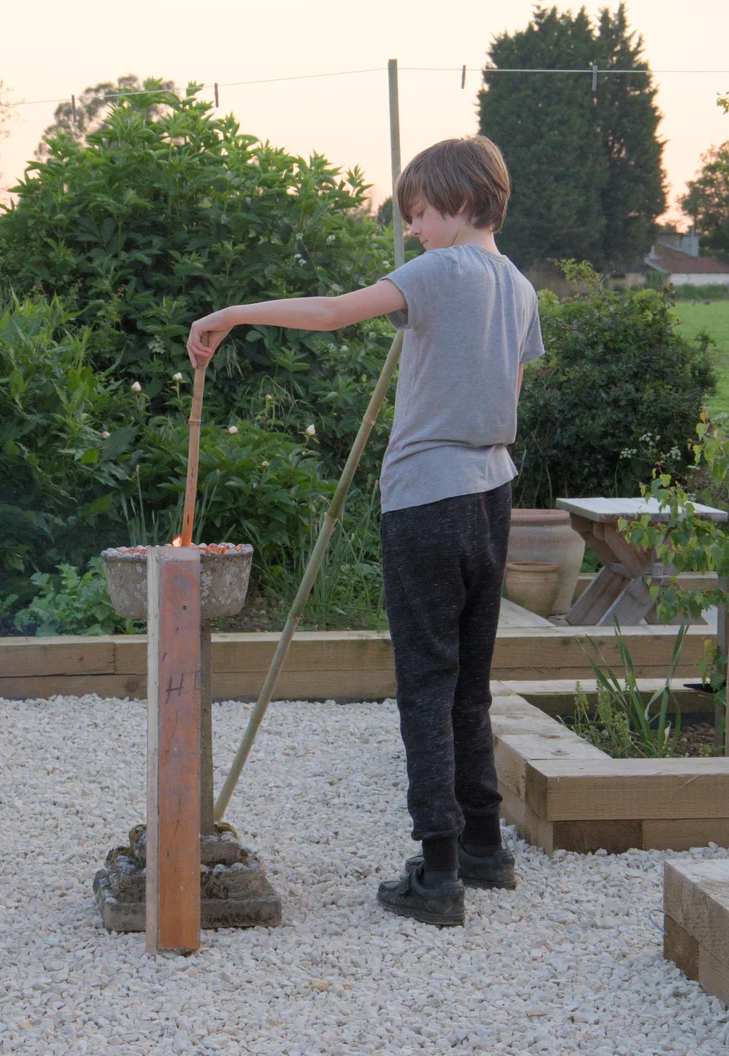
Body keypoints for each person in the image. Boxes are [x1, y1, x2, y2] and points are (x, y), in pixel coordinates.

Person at [186, 135, 543, 927]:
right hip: (493, 494)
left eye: (416, 213)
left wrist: (232, 313)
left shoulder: (440, 271)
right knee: (469, 685)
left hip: (425, 497)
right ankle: (485, 847)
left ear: (454, 202)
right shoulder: (520, 287)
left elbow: (334, 312)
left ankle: (438, 873)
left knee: (424, 682)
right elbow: (503, 396)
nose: (412, 229)